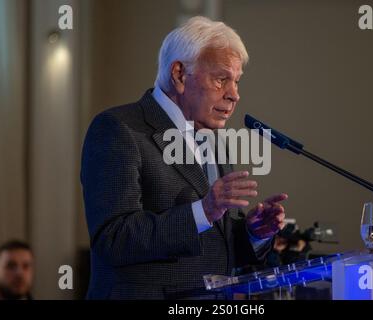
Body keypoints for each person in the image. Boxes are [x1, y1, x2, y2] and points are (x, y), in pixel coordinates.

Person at [81, 16, 289, 299]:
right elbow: (114, 239)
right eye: (221, 79)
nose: (235, 95)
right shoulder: (119, 129)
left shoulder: (215, 140)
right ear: (179, 74)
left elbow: (212, 247)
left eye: (237, 81)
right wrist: (203, 211)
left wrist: (253, 233)